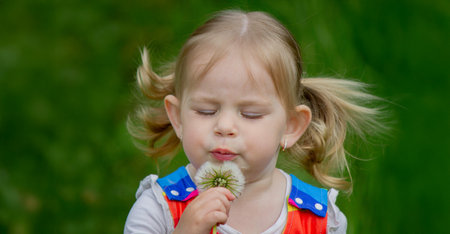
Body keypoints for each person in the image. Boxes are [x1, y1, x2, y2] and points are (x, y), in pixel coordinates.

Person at [124, 10, 385, 234]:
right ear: (177, 117)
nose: (225, 127)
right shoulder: (158, 208)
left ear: (291, 126)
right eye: (205, 111)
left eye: (250, 114)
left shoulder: (319, 220)